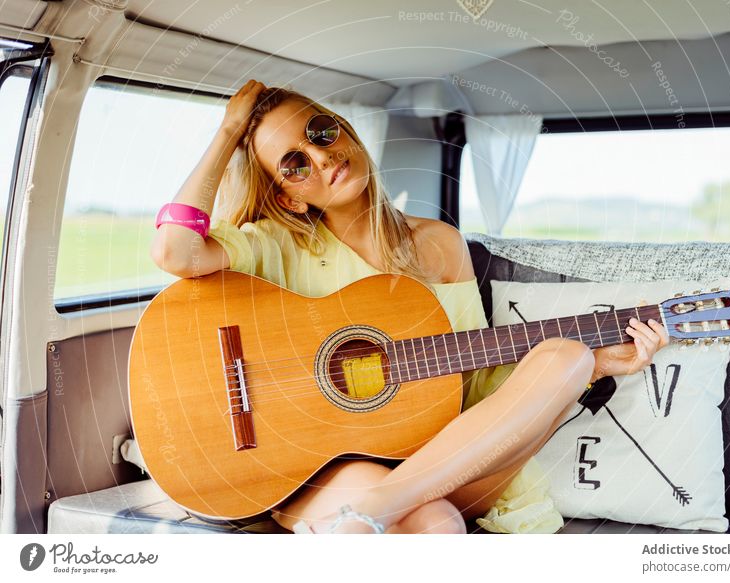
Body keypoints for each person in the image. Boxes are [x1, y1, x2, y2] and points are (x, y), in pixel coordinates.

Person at [151, 79, 670, 534]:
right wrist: (229, 131)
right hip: (320, 464)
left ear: (346, 130)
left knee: (570, 356)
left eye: (321, 133)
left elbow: (481, 383)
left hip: (447, 459)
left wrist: (598, 364)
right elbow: (175, 250)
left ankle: (364, 516)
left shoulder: (440, 244)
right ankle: (368, 514)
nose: (322, 158)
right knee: (436, 527)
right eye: (294, 164)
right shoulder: (277, 245)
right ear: (290, 198)